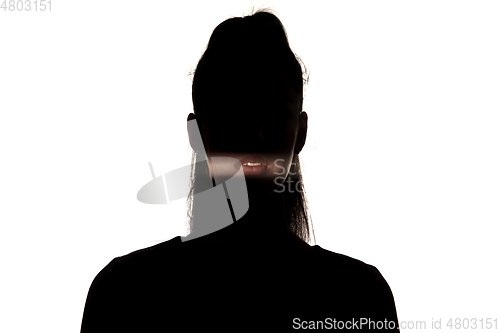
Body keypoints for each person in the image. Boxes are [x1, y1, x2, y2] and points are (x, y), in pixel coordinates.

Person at [80, 9, 400, 332]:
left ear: (300, 132)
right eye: (231, 109)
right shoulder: (122, 294)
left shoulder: (126, 291)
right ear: (197, 134)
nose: (255, 132)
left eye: (273, 109)